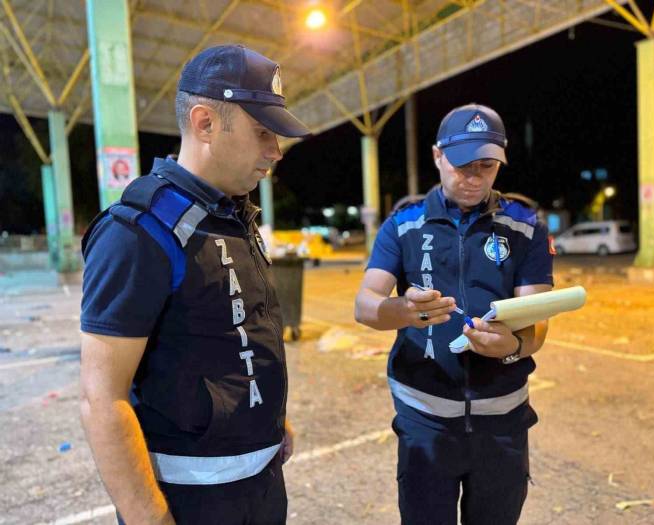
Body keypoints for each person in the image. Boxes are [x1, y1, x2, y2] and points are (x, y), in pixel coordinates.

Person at [80, 44, 311, 524]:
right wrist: (150, 517)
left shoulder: (232, 217)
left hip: (263, 486)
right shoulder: (139, 232)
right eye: (263, 132)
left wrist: (262, 409)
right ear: (205, 123)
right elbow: (103, 399)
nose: (276, 151)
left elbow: (230, 332)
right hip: (192, 502)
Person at [355, 103, 554, 524]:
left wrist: (513, 346)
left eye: (486, 165)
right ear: (437, 156)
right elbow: (366, 306)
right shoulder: (404, 223)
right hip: (424, 419)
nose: (474, 178)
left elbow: (536, 326)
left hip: (502, 422)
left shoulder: (525, 226)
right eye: (462, 165)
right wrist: (404, 310)